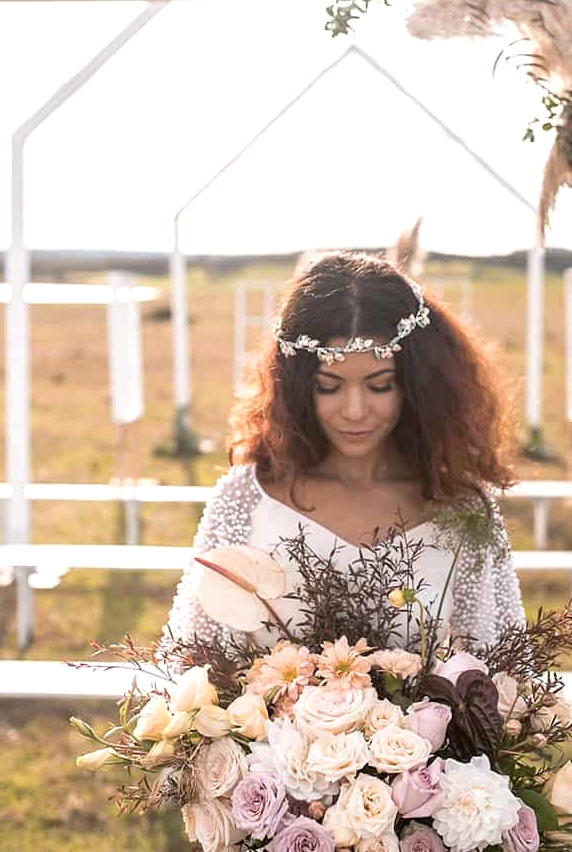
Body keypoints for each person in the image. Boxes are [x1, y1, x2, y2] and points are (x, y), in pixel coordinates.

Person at [164, 251, 524, 652]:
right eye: (330, 386)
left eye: (379, 385)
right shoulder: (246, 500)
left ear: (417, 384)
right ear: (299, 386)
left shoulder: (463, 511)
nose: (355, 411)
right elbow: (192, 665)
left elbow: (499, 676)